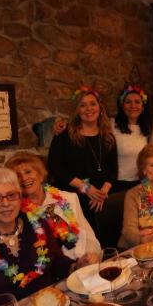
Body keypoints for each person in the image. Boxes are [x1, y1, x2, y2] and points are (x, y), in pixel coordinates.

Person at [0, 168, 72, 306]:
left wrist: (76, 266)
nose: (6, 203)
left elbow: (58, 265)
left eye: (11, 195)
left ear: (20, 197)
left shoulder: (39, 226)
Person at [5, 152, 100, 263]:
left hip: (83, 262)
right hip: (51, 270)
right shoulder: (16, 213)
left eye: (28, 172)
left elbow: (88, 235)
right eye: (18, 176)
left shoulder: (69, 198)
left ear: (40, 175)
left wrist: (92, 255)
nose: (24, 178)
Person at [48, 85, 117, 221]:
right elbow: (54, 167)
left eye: (93, 104)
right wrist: (86, 188)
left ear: (100, 107)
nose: (89, 109)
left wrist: (102, 193)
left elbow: (113, 170)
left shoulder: (108, 137)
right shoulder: (64, 134)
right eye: (83, 105)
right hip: (71, 200)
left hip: (99, 200)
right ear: (77, 110)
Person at [111, 84, 150, 191]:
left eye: (137, 102)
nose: (133, 106)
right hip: (117, 184)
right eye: (128, 102)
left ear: (142, 106)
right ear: (122, 105)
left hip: (140, 183)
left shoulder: (147, 129)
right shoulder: (112, 125)